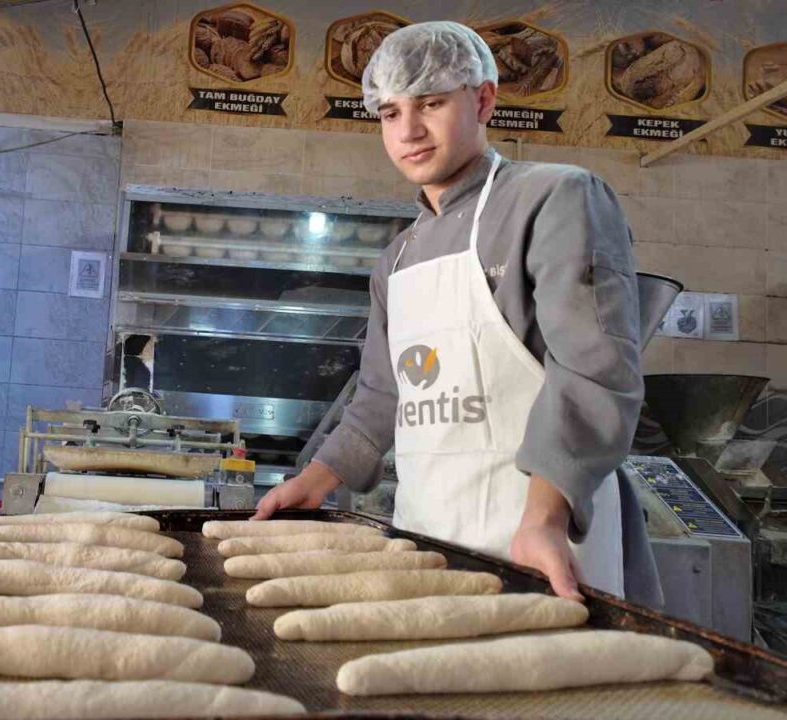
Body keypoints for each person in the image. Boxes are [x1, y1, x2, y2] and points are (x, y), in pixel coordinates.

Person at [255, 21, 662, 606]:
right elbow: (380, 396)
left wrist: (543, 519)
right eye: (390, 113)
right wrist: (315, 480)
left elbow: (593, 372)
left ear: (484, 100)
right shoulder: (397, 259)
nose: (409, 131)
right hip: (428, 537)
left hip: (540, 540)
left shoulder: (555, 197)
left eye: (431, 104)